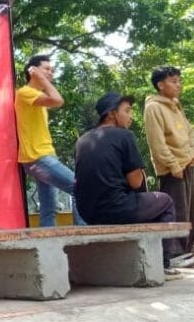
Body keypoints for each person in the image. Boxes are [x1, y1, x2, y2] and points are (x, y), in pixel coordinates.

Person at [74, 92, 183, 277]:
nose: (130, 116)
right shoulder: (124, 136)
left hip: (88, 212)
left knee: (142, 203)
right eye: (127, 111)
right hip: (117, 208)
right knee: (165, 201)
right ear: (111, 114)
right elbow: (136, 182)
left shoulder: (83, 140)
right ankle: (162, 264)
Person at [15, 54, 83, 227]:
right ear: (32, 70)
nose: (50, 72)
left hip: (43, 156)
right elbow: (58, 100)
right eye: (46, 69)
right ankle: (83, 232)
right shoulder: (25, 93)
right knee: (80, 188)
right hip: (38, 157)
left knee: (48, 207)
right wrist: (42, 79)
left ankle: (47, 240)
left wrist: (42, 79)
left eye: (52, 70)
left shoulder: (37, 96)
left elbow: (54, 100)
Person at [144, 66, 194, 254]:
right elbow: (157, 143)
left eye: (179, 81)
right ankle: (174, 253)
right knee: (176, 213)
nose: (179, 85)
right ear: (161, 85)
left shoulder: (176, 105)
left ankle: (188, 251)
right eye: (174, 81)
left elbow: (190, 132)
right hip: (173, 170)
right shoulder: (153, 107)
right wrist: (173, 165)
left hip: (188, 164)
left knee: (191, 214)